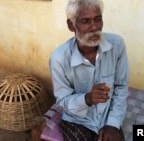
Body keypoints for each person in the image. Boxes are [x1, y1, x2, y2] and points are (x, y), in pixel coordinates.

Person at [49, 0, 129, 141]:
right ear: (71, 25)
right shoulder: (59, 59)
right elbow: (62, 101)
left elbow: (121, 87)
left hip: (106, 117)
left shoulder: (117, 45)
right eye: (85, 21)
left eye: (98, 19)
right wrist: (87, 99)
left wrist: (113, 124)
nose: (94, 27)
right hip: (76, 120)